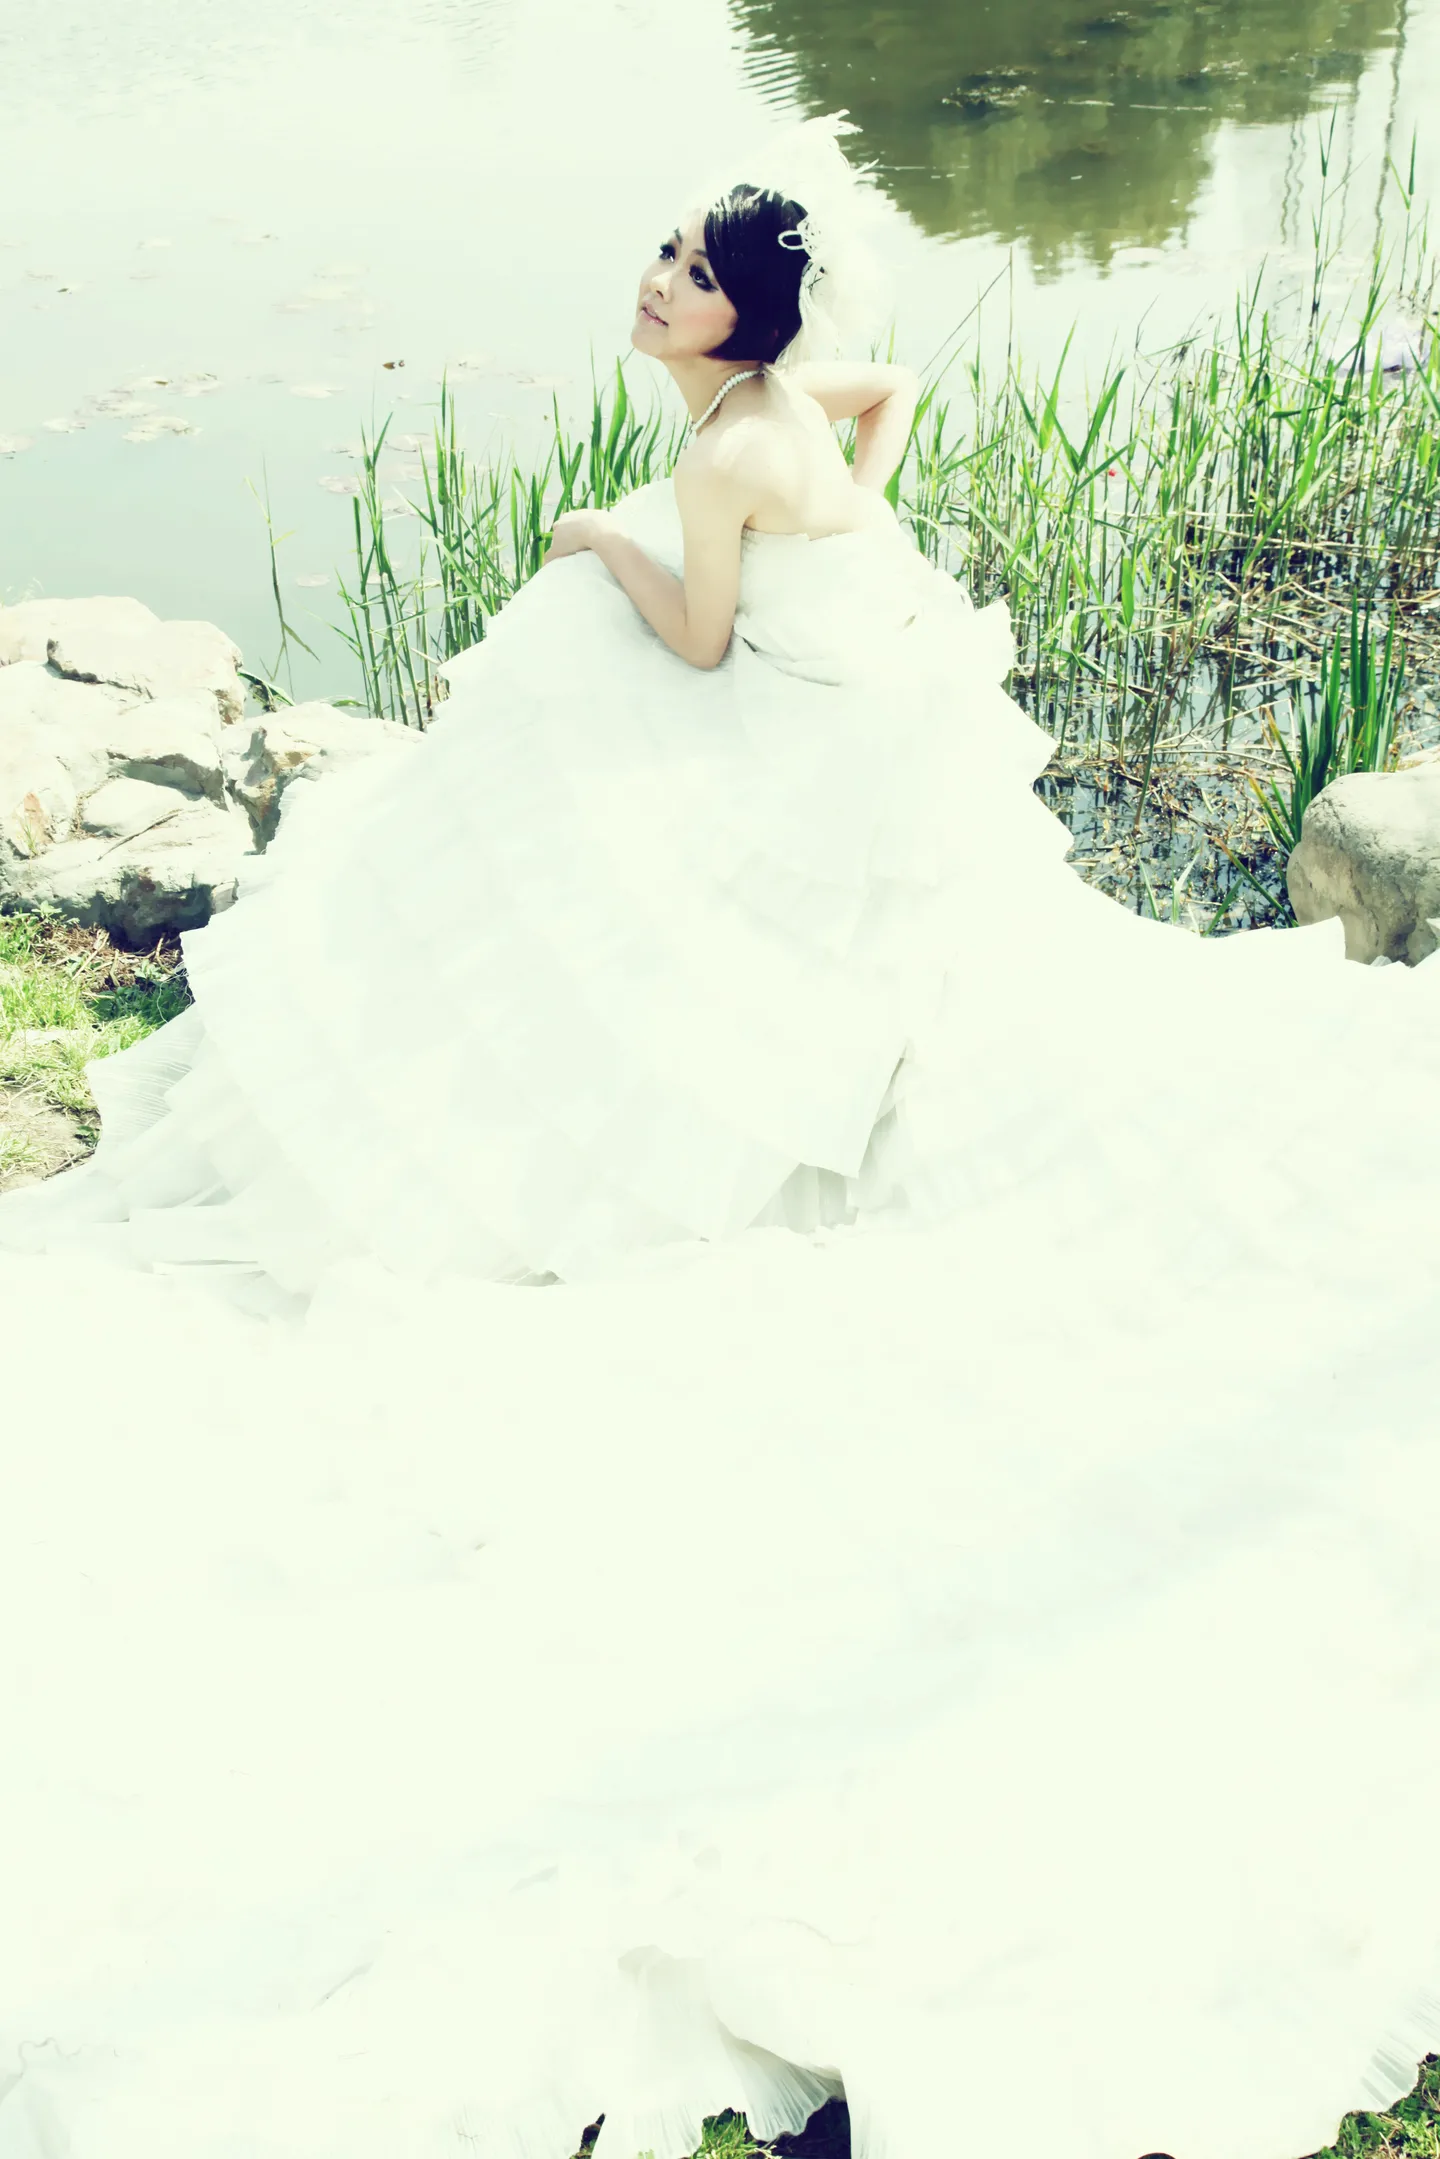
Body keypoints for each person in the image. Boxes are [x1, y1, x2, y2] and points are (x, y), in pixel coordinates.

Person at [2, 117, 1440, 2159]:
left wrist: (608, 542)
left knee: (592, 671)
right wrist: (841, 534)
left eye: (685, 269)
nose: (655, 277)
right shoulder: (787, 400)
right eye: (663, 252)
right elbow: (888, 392)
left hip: (809, 733)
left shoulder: (716, 455)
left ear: (737, 322)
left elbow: (694, 639)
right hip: (873, 698)